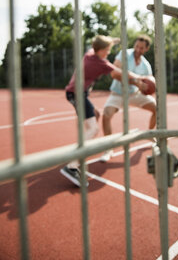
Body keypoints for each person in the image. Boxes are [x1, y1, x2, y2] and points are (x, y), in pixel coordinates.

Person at [60, 35, 148, 187]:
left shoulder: (90, 53)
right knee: (93, 129)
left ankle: (79, 151)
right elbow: (122, 73)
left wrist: (112, 41)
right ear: (99, 50)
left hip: (79, 93)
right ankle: (72, 165)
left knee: (95, 115)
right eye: (107, 50)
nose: (108, 53)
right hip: (76, 94)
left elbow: (97, 44)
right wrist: (140, 79)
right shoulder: (100, 63)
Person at [101, 35, 156, 162]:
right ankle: (108, 148)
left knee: (157, 109)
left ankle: (149, 133)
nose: (138, 49)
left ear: (146, 49)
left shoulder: (146, 65)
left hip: (135, 94)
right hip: (118, 93)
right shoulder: (124, 54)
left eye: (141, 48)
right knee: (106, 115)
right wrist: (135, 81)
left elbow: (150, 82)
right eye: (136, 46)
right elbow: (114, 73)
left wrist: (147, 86)